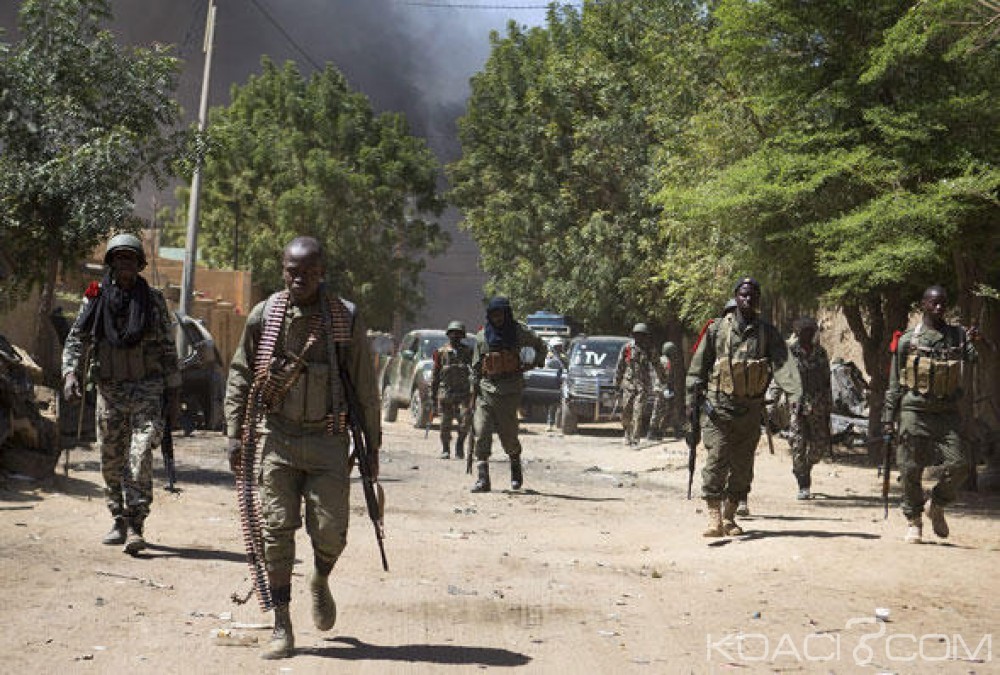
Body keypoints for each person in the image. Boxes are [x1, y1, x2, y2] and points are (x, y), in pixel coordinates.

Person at [224, 236, 381, 659]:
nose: (300, 279)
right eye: (292, 271)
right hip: (279, 441)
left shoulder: (345, 318)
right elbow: (241, 373)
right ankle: (282, 625)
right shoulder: (266, 315)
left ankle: (320, 577)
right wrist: (234, 431)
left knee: (331, 532)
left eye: (308, 272)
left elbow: (365, 387)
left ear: (322, 273)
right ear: (282, 270)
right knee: (275, 533)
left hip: (330, 442)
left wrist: (373, 444)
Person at [61, 233, 181, 554]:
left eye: (130, 258)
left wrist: (174, 393)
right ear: (111, 263)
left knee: (140, 454)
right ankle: (118, 517)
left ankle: (136, 523)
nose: (125, 264)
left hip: (147, 389)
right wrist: (70, 372)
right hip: (110, 390)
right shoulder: (95, 296)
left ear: (139, 264)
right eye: (119, 258)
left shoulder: (152, 300)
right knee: (111, 459)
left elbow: (169, 349)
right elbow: (78, 338)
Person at [686, 277, 802, 538]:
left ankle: (730, 515)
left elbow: (784, 365)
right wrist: (690, 404)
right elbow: (697, 370)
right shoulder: (716, 330)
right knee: (716, 459)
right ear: (736, 297)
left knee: (742, 467)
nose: (747, 299)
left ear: (758, 300)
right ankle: (713, 516)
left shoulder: (767, 333)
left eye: (752, 296)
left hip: (749, 412)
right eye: (743, 295)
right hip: (718, 409)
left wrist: (796, 395)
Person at [882, 285, 977, 544]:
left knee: (960, 465)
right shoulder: (908, 340)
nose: (939, 308)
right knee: (910, 468)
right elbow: (894, 384)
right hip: (914, 410)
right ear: (923, 304)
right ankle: (914, 520)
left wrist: (974, 339)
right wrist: (888, 419)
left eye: (943, 303)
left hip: (947, 413)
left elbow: (974, 357)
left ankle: (936, 503)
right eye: (934, 303)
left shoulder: (957, 336)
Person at [469, 297, 546, 493]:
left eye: (500, 314)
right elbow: (476, 369)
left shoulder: (519, 333)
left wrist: (536, 362)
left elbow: (540, 345)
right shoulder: (481, 337)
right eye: (493, 315)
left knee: (508, 434)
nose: (497, 318)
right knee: (481, 431)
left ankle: (515, 465)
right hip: (486, 390)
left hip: (509, 390)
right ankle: (483, 479)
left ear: (506, 314)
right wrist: (472, 393)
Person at [786, 316, 832, 500]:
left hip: (817, 404)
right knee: (797, 445)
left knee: (819, 446)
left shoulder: (820, 353)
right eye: (803, 332)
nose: (807, 335)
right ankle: (803, 483)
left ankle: (806, 467)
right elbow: (781, 376)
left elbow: (827, 380)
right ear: (798, 333)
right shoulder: (790, 352)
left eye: (810, 332)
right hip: (796, 405)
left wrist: (829, 406)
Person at [614, 323, 667, 446]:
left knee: (638, 411)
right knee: (626, 410)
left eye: (642, 335)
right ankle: (627, 432)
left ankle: (635, 438)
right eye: (637, 335)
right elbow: (620, 366)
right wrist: (616, 384)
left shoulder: (649, 349)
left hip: (643, 385)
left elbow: (657, 365)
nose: (640, 338)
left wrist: (663, 380)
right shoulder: (627, 348)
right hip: (628, 384)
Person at [431, 320, 473, 460]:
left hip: (464, 393)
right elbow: (435, 375)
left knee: (466, 421)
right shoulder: (440, 353)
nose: (456, 336)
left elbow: (475, 371)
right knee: (445, 423)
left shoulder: (468, 352)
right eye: (453, 333)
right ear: (448, 335)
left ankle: (460, 445)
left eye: (458, 334)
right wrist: (433, 395)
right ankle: (445, 449)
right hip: (446, 393)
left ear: (462, 335)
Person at [649, 341, 683, 440]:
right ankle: (653, 432)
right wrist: (669, 388)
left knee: (664, 411)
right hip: (664, 389)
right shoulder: (667, 361)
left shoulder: (660, 359)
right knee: (663, 410)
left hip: (659, 388)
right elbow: (667, 376)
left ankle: (658, 432)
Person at [544, 337, 569, 432]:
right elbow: (547, 366)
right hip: (550, 381)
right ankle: (550, 423)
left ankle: (556, 423)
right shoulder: (548, 356)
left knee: (559, 404)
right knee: (551, 404)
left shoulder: (563, 356)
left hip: (561, 381)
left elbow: (567, 365)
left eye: (559, 346)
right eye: (556, 346)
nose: (558, 348)